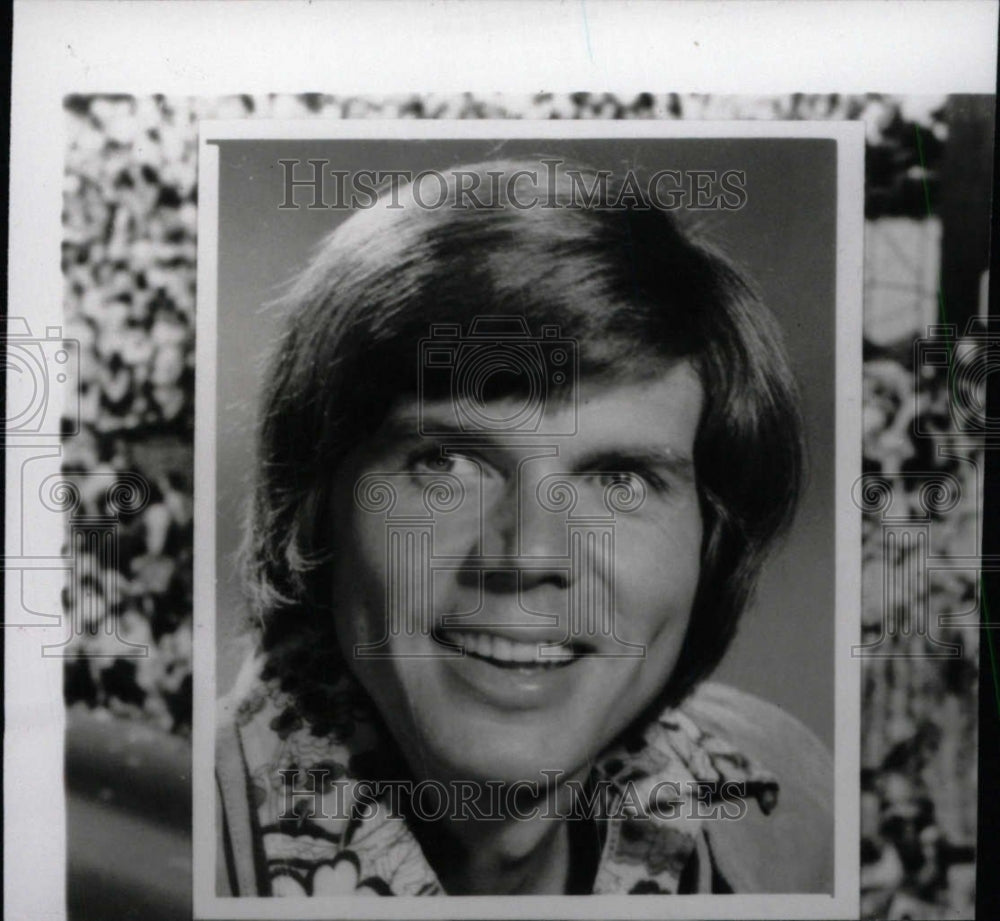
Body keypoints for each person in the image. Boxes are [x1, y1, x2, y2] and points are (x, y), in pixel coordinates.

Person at [215, 159, 833, 897]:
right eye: (444, 461)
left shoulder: (784, 798)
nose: (531, 553)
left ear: (712, 544)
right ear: (315, 504)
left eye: (619, 478)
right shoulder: (168, 844)